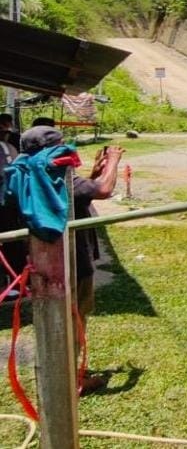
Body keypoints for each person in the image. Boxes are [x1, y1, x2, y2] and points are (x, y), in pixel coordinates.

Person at [15, 126, 121, 394]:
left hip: (43, 265)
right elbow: (104, 190)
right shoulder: (57, 174)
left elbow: (73, 194)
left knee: (55, 318)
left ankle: (58, 372)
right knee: (75, 319)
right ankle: (73, 380)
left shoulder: (31, 173)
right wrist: (114, 162)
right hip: (73, 262)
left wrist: (94, 173)